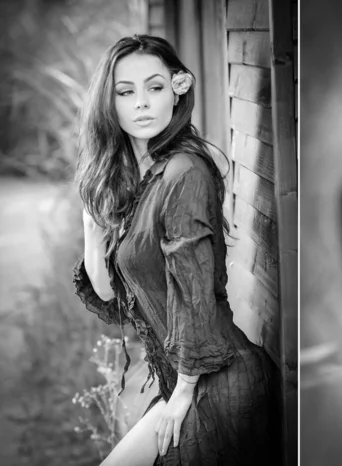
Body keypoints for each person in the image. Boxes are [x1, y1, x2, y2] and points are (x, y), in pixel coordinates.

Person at [72, 34, 280, 465]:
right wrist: (93, 234)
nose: (142, 103)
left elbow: (194, 288)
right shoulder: (139, 177)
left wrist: (183, 393)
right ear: (109, 104)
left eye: (155, 87)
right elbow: (112, 293)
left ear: (176, 89)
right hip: (184, 380)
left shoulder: (184, 172)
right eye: (126, 93)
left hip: (214, 383)